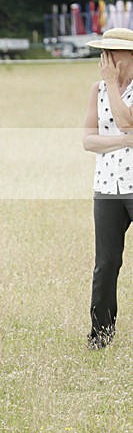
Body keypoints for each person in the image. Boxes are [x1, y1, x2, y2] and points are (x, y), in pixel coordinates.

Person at [83, 27, 133, 348]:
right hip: (107, 187)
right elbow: (88, 141)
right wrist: (121, 141)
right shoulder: (96, 89)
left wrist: (114, 86)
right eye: (105, 51)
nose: (107, 59)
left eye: (114, 52)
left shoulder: (111, 89)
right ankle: (100, 334)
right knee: (106, 264)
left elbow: (127, 119)